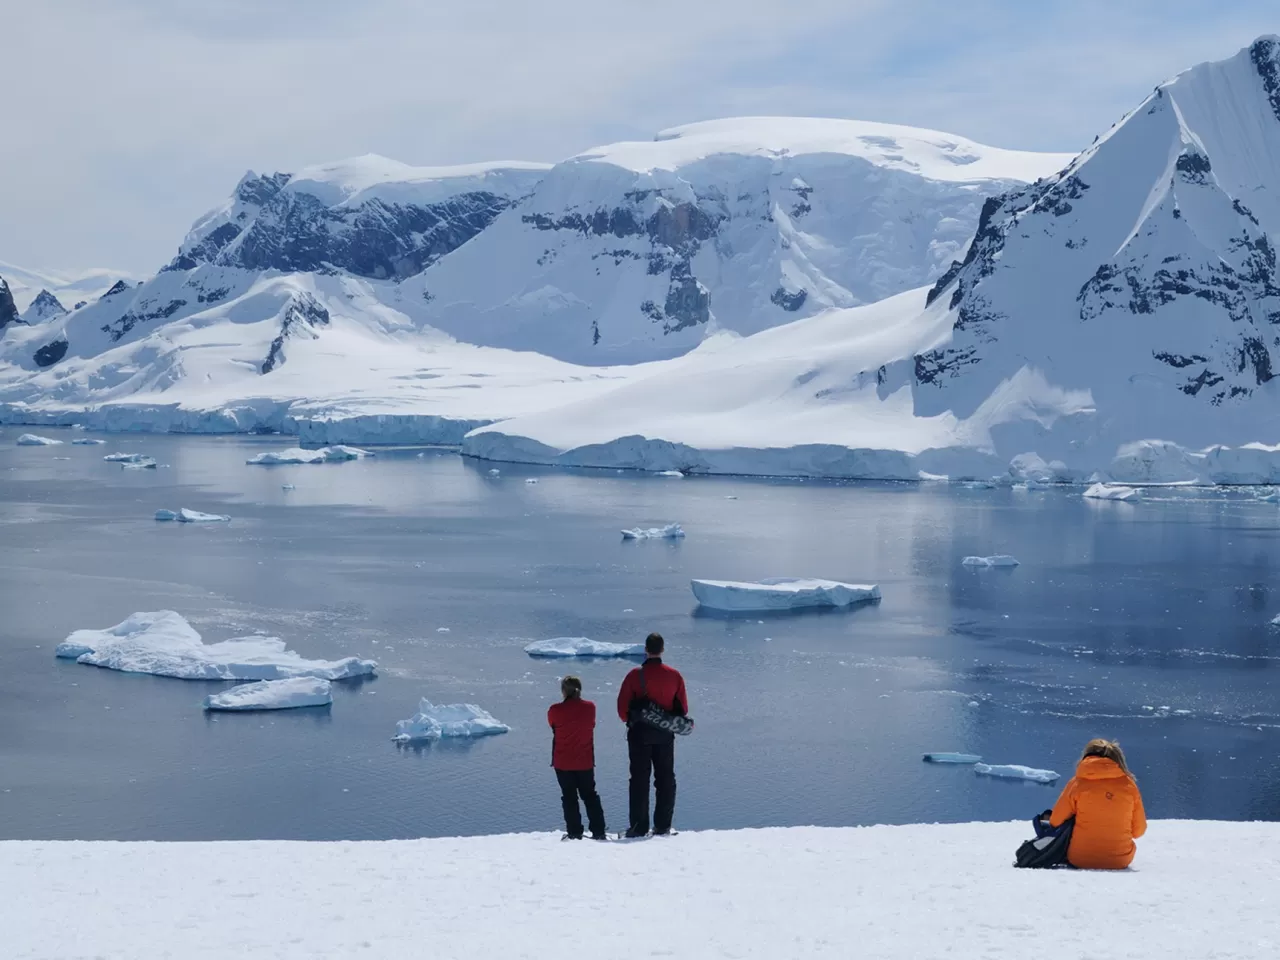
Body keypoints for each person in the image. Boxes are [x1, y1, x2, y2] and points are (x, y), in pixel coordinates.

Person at [616, 632, 689, 837]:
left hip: (639, 735)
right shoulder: (674, 675)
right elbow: (682, 709)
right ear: (662, 649)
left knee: (639, 780)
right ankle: (663, 826)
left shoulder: (633, 675)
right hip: (665, 735)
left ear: (646, 650)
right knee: (665, 779)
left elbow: (622, 709)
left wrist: (634, 722)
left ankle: (639, 827)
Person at [1048, 738, 1146, 869]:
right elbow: (1138, 831)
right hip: (1120, 860)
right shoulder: (1129, 785)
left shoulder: (1077, 783)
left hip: (1080, 858)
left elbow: (1055, 821)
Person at [547, 675, 606, 840]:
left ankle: (574, 832)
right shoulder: (590, 707)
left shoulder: (555, 710)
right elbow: (591, 724)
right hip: (585, 760)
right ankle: (599, 831)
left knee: (569, 796)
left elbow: (552, 724)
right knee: (590, 795)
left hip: (562, 761)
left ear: (563, 691)